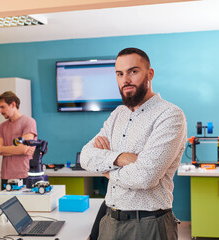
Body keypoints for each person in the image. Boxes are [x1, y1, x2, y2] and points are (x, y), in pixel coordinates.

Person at [80, 47, 187, 240]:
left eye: (133, 71)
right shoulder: (117, 114)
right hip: (109, 220)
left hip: (148, 225)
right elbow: (86, 156)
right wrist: (122, 159)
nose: (125, 80)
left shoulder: (170, 115)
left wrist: (105, 169)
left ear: (150, 74)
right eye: (120, 74)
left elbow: (145, 177)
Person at [0, 91, 37, 190]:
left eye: (2, 107)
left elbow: (24, 148)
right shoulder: (2, 126)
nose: (0, 111)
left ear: (13, 104)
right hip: (6, 176)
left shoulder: (29, 122)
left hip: (24, 175)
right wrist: (16, 149)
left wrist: (4, 150)